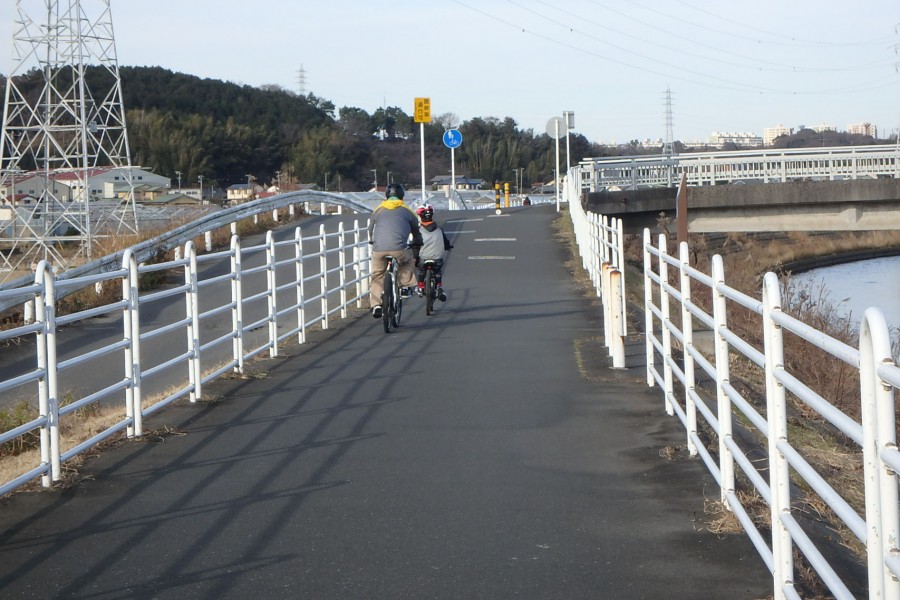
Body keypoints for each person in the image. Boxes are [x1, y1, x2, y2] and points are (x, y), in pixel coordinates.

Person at [368, 183, 422, 319]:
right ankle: (404, 286)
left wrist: (371, 240)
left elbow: (370, 228)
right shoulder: (406, 210)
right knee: (407, 261)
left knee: (377, 275)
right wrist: (417, 241)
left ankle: (376, 305)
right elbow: (416, 229)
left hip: (378, 249)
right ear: (402, 196)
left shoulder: (378, 209)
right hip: (399, 249)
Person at [414, 204, 453, 301]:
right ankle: (439, 287)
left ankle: (420, 286)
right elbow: (445, 242)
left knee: (420, 269)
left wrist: (415, 257)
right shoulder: (439, 230)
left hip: (423, 258)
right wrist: (448, 247)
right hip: (437, 258)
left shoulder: (418, 231)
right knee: (438, 271)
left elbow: (415, 244)